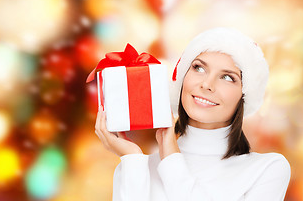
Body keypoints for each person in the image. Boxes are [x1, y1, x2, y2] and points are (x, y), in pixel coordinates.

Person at [94, 27, 291, 201]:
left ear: (244, 95)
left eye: (227, 77)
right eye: (198, 67)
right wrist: (132, 159)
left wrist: (171, 156)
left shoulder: (267, 169)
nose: (207, 84)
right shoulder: (134, 166)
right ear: (182, 78)